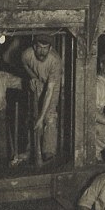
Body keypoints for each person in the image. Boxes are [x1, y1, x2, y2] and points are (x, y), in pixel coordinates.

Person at [21, 34, 63, 163]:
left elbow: (49, 91)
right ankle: (31, 149)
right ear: (34, 47)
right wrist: (32, 77)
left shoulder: (55, 61)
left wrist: (41, 117)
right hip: (38, 80)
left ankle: (49, 152)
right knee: (33, 114)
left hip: (52, 85)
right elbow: (25, 65)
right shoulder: (27, 54)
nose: (41, 51)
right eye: (39, 47)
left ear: (50, 49)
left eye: (45, 48)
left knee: (49, 117)